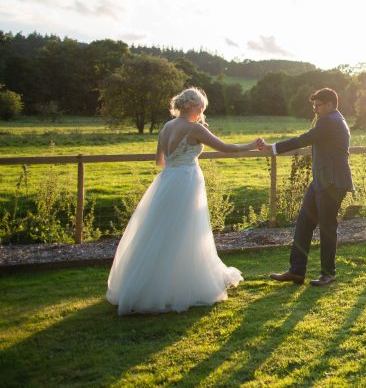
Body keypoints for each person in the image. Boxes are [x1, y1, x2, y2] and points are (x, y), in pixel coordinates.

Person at [106, 87, 263, 315]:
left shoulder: (166, 127)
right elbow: (226, 148)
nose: (202, 111)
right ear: (191, 106)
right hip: (187, 182)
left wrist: (177, 161)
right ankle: (181, 286)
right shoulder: (194, 129)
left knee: (159, 231)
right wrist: (251, 144)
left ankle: (144, 286)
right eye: (201, 107)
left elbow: (160, 161)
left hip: (166, 181)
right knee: (186, 231)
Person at [261, 88, 353, 287]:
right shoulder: (333, 119)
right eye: (314, 105)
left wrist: (273, 148)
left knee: (327, 227)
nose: (315, 110)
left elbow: (303, 139)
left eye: (318, 105)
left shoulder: (329, 121)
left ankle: (328, 273)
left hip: (332, 182)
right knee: (304, 222)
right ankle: (296, 271)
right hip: (321, 180)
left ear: (329, 104)